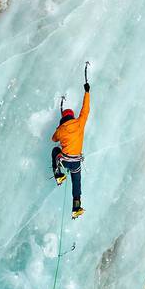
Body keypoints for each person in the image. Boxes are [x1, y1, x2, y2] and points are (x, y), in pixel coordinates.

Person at [51, 79, 91, 218]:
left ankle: (58, 175)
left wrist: (59, 128)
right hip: (76, 162)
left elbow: (54, 139)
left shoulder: (61, 129)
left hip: (65, 160)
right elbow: (85, 110)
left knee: (55, 151)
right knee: (76, 182)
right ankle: (76, 206)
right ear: (72, 116)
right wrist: (87, 92)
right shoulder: (79, 123)